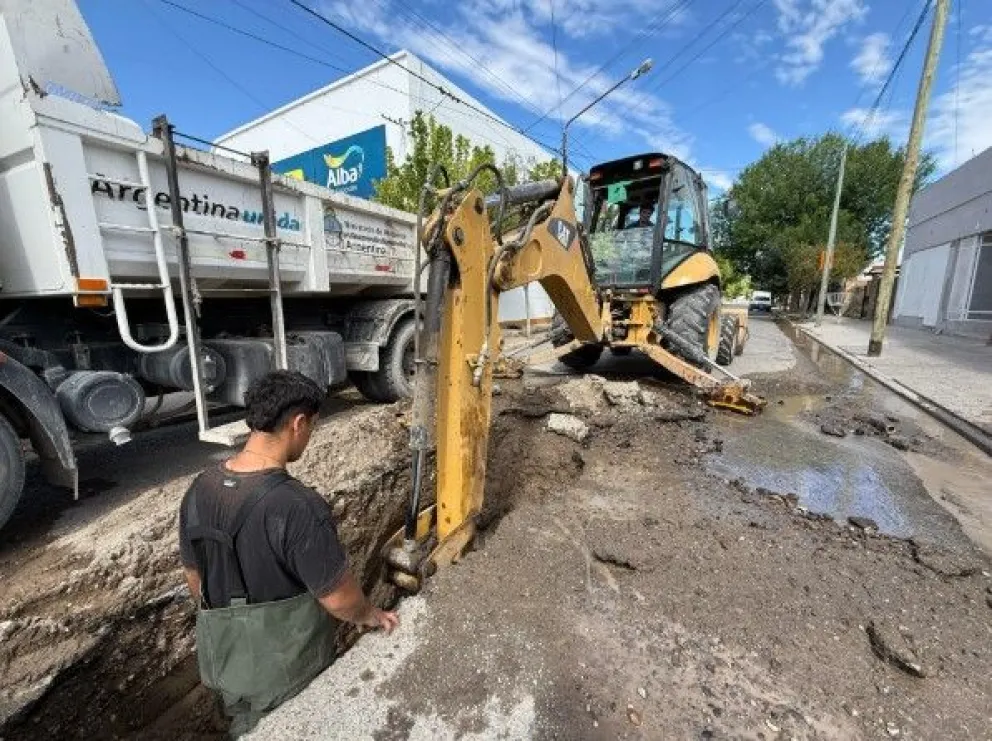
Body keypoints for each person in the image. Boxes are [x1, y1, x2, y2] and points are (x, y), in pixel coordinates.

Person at [178, 370, 399, 737]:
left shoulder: (200, 487)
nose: (309, 437)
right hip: (283, 675)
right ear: (298, 423)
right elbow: (339, 599)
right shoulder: (297, 506)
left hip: (222, 661)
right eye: (312, 427)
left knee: (242, 722)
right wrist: (371, 615)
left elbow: (193, 575)